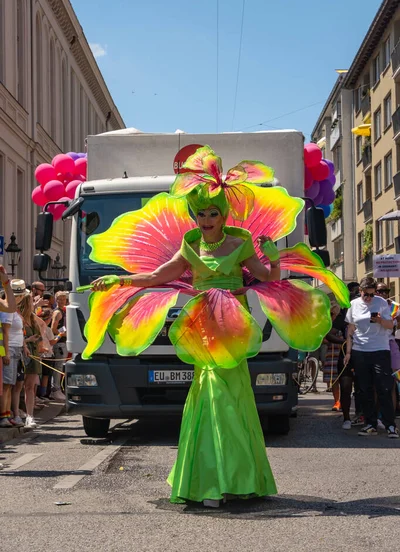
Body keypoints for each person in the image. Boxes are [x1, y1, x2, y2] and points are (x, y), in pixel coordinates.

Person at [82, 146, 349, 506]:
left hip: (233, 326)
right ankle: (211, 480)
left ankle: (233, 479)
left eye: (211, 213)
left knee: (229, 395)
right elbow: (158, 276)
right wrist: (117, 281)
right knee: (208, 395)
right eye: (199, 213)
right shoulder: (190, 247)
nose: (205, 219)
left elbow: (265, 278)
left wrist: (272, 259)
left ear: (222, 215)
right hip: (202, 327)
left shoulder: (239, 245)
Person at [345, 277, 398, 438]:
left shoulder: (381, 302)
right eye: (365, 295)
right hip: (360, 350)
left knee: (384, 387)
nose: (368, 298)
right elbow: (350, 330)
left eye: (371, 295)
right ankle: (370, 424)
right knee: (364, 389)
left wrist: (380, 320)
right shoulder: (354, 305)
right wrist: (348, 353)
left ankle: (390, 425)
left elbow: (391, 325)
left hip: (380, 349)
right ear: (360, 291)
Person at [0, 280, 26, 427]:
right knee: (6, 384)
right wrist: (6, 353)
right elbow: (5, 331)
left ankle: (8, 414)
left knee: (10, 384)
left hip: (15, 348)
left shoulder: (13, 310)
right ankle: (4, 416)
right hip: (9, 348)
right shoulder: (7, 310)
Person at [18, 288, 44, 429]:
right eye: (31, 301)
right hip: (22, 354)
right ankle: (18, 414)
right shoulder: (18, 318)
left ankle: (30, 416)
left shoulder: (33, 319)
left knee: (30, 387)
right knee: (18, 387)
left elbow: (42, 331)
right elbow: (18, 338)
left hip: (34, 356)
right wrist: (28, 340)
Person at [375, 283, 400, 415]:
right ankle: (373, 417)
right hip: (375, 345)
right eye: (380, 291)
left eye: (386, 290)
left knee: (393, 380)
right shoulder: (371, 305)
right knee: (376, 383)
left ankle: (390, 416)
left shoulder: (394, 307)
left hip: (390, 343)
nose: (384, 293)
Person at [323, 302, 344, 412]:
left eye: (333, 313)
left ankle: (344, 401)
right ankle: (337, 401)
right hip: (332, 352)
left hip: (344, 352)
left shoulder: (342, 321)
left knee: (345, 379)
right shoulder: (327, 324)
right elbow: (322, 339)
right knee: (334, 379)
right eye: (330, 313)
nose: (332, 315)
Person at [50, 291, 68, 401]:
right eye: (59, 299)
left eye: (64, 299)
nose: (62, 301)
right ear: (56, 300)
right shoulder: (58, 312)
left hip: (63, 342)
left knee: (60, 366)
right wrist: (64, 334)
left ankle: (58, 389)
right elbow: (53, 329)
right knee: (58, 366)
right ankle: (55, 390)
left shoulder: (63, 310)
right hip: (59, 343)